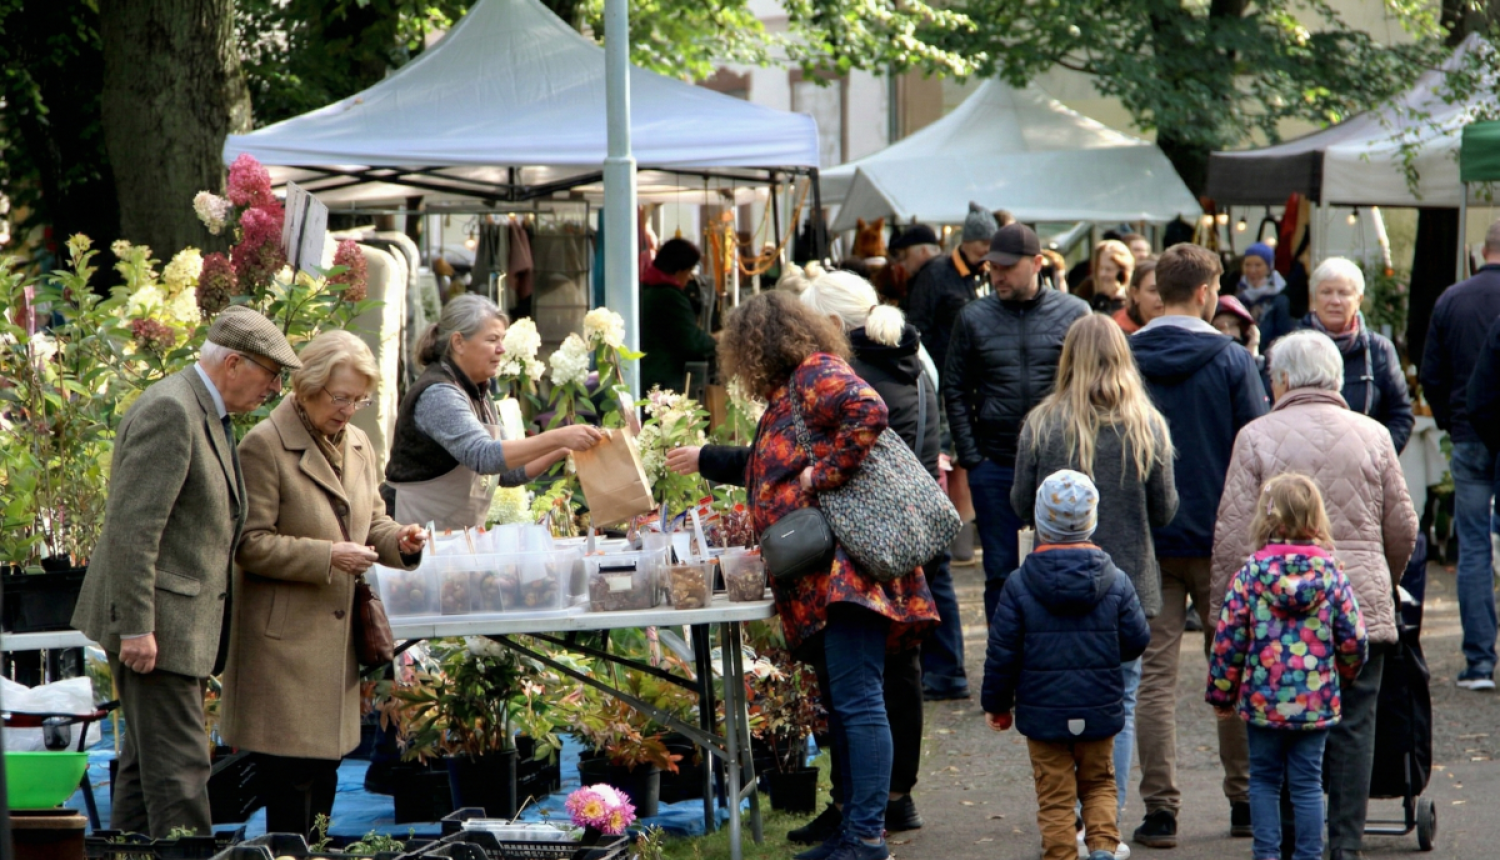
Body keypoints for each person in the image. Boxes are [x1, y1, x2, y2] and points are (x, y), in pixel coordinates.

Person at [668, 271, 944, 840]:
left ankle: (865, 838)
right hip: (827, 578)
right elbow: (773, 463)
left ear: (758, 348)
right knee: (848, 703)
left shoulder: (816, 373)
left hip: (848, 573)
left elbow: (868, 412)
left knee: (860, 702)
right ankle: (852, 826)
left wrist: (823, 475)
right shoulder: (793, 391)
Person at [71, 306, 300, 837]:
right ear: (234, 363)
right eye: (271, 374)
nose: (275, 389)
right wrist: (137, 627)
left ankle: (129, 850)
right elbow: (133, 529)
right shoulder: (172, 410)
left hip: (172, 630)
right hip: (158, 631)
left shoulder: (203, 410)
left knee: (145, 768)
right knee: (181, 772)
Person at [1212, 331, 1417, 860]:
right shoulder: (1374, 434)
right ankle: (1343, 845)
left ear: (1281, 379)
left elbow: (1233, 535)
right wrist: (1381, 579)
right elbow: (1403, 526)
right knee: (1354, 728)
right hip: (1357, 605)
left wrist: (1224, 617)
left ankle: (1282, 844)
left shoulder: (1255, 436)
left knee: (1276, 726)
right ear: (1337, 378)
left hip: (1271, 623)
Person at [221, 331, 428, 838]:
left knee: (326, 770)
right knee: (290, 777)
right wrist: (328, 556)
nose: (349, 410)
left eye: (359, 399)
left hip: (335, 644)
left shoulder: (356, 443)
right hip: (284, 647)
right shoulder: (264, 445)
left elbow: (371, 522)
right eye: (340, 397)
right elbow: (249, 544)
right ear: (308, 386)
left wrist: (401, 540)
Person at [1012, 314, 1178, 835]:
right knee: (1119, 703)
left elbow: (1020, 502)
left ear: (1068, 359)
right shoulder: (1147, 425)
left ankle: (1063, 821)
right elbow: (1165, 510)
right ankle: (1104, 823)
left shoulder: (1042, 423)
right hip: (1127, 587)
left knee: (1054, 704)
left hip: (1049, 587)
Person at [1128, 242, 1268, 847]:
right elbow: (1256, 447)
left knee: (1154, 678)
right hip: (1223, 537)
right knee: (1233, 667)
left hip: (1148, 537)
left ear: (1158, 291)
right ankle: (1244, 800)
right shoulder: (1233, 360)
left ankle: (1160, 810)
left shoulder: (1125, 357)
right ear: (1208, 293)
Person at [982, 470, 1151, 860]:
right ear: (1093, 521)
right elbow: (1137, 640)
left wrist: (997, 704)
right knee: (1100, 783)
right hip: (1099, 705)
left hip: (1043, 713)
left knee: (1055, 795)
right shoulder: (1115, 580)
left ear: (1041, 522)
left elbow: (1002, 652)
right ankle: (1103, 847)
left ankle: (1061, 853)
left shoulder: (1019, 584)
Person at [1206, 474, 1368, 860]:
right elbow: (1354, 639)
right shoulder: (1332, 575)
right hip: (1314, 698)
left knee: (1263, 779)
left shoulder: (1250, 576)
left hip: (1262, 699)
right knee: (1308, 783)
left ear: (1267, 519)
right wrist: (1344, 674)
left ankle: (1266, 854)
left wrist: (1222, 693)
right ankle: (1308, 855)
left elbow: (1228, 642)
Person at [943, 222, 1091, 624]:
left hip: (1060, 463)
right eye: (993, 267)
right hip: (995, 464)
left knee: (1063, 566)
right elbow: (954, 388)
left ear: (1037, 264)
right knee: (1001, 572)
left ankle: (1055, 651)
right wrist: (972, 457)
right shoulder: (973, 317)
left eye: (1008, 267)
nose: (998, 275)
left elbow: (1089, 385)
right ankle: (1004, 655)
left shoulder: (1074, 313)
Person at [384, 295, 602, 530]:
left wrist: (562, 448)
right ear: (458, 343)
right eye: (492, 340)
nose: (501, 349)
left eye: (502, 340)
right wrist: (559, 437)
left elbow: (509, 473)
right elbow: (484, 455)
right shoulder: (438, 393)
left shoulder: (480, 393)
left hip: (450, 536)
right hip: (410, 530)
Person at [1420, 218, 1500, 690]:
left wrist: (1451, 420)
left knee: (1472, 546)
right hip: (1481, 429)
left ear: (1481, 249)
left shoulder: (1453, 299)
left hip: (1469, 434)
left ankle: (1480, 661)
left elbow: (1431, 372)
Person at [1297, 257, 1413, 453]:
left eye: (1344, 293)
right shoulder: (1292, 348)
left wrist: (1378, 458)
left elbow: (1401, 415)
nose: (1335, 301)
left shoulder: (1379, 350)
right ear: (1313, 299)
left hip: (1365, 463)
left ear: (1358, 300)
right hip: (1303, 462)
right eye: (1326, 292)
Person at [906, 201, 995, 375]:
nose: (988, 249)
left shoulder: (990, 274)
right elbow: (919, 325)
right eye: (984, 242)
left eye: (992, 243)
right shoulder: (935, 273)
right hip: (945, 372)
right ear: (967, 241)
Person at [639, 238, 717, 394]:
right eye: (688, 272)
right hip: (664, 383)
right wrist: (716, 341)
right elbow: (692, 342)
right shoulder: (669, 297)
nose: (689, 278)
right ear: (678, 270)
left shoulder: (645, 288)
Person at [1235, 243, 1294, 348]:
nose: (1252, 270)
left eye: (1258, 265)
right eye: (1247, 265)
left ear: (1268, 268)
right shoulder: (1238, 295)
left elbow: (1283, 334)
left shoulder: (1280, 299)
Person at [881, 224, 942, 306]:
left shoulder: (928, 278)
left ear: (923, 251)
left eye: (905, 256)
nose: (902, 264)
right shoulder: (941, 273)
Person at [1077, 239, 1135, 313]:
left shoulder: (1133, 298)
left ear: (1123, 273)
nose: (1102, 274)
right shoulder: (1086, 291)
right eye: (1100, 268)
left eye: (1108, 269)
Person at [1113, 260, 1163, 334]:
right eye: (1153, 290)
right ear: (1135, 294)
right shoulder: (1118, 331)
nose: (1160, 298)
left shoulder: (1176, 325)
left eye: (1164, 290)